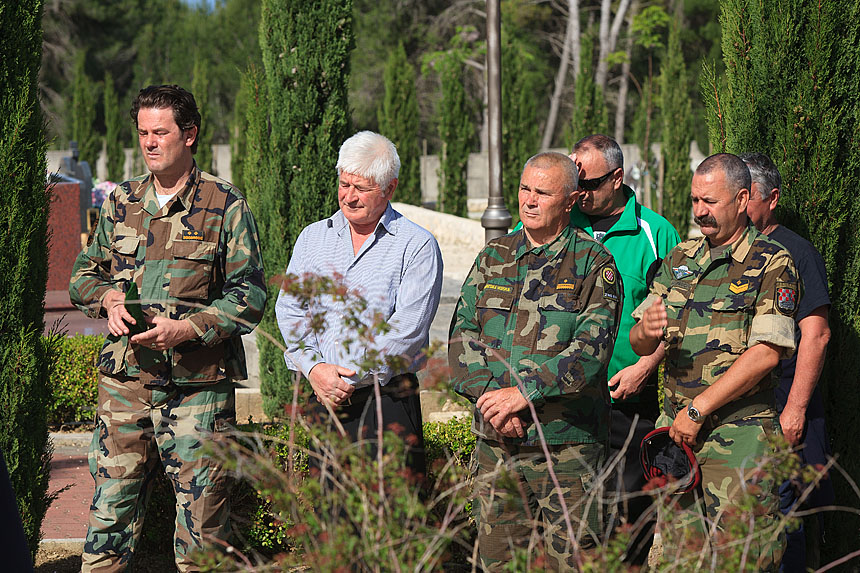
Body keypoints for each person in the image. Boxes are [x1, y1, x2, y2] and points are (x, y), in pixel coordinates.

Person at [69, 84, 266, 572]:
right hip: (125, 383)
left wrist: (190, 328)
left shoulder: (225, 205)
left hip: (196, 388)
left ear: (190, 134)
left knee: (203, 528)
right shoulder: (122, 201)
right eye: (143, 134)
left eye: (161, 132)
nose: (150, 143)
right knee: (108, 517)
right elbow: (82, 275)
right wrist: (107, 297)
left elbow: (250, 296)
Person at [449, 151, 622, 571]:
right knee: (497, 562)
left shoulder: (593, 263)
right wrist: (495, 400)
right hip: (497, 446)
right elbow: (461, 335)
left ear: (570, 200)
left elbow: (590, 352)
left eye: (542, 192)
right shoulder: (494, 257)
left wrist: (522, 394)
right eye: (525, 188)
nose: (528, 200)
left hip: (566, 448)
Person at [630, 153, 799, 569]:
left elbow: (765, 353)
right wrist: (646, 332)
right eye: (694, 201)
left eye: (710, 201)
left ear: (743, 200)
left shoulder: (771, 262)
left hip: (739, 438)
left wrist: (697, 409)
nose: (699, 211)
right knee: (678, 559)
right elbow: (639, 342)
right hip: (676, 439)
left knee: (741, 559)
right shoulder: (680, 259)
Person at [275, 131, 443, 479]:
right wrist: (316, 369)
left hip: (386, 402)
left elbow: (407, 330)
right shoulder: (313, 237)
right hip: (323, 396)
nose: (348, 197)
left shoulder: (417, 246)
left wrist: (346, 377)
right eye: (343, 184)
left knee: (392, 519)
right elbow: (290, 309)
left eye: (361, 188)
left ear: (390, 188)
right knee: (332, 517)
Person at [570, 134, 680, 562]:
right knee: (571, 519)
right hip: (567, 402)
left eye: (590, 184)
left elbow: (675, 317)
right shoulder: (562, 219)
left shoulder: (656, 233)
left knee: (628, 521)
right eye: (575, 184)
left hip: (628, 400)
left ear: (617, 177)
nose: (580, 194)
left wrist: (645, 368)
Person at [741, 152, 834, 572]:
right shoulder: (722, 252)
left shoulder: (797, 252)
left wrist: (795, 410)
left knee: (783, 527)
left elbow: (816, 334)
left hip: (780, 409)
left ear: (772, 198)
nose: (739, 206)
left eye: (748, 197)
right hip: (733, 416)